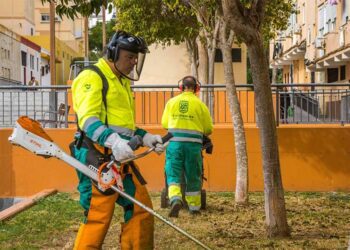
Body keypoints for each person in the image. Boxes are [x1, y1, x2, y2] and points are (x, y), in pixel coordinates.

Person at [71, 30, 165, 249]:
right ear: (113, 52)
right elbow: (88, 120)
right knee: (98, 215)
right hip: (96, 156)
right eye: (129, 57)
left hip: (119, 157)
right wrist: (114, 142)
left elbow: (123, 127)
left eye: (136, 58)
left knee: (141, 207)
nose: (133, 62)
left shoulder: (121, 81)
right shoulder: (91, 76)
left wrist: (145, 137)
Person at [161, 76, 213, 217]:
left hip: (174, 144)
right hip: (193, 146)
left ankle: (175, 199)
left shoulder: (171, 102)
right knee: (193, 175)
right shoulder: (201, 105)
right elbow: (208, 129)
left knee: (172, 173)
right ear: (197, 88)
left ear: (181, 87)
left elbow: (165, 124)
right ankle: (194, 208)